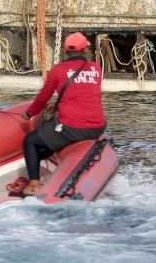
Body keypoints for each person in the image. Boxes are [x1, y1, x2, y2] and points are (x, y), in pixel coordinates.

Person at [19, 32, 106, 196]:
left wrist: (28, 113)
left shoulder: (57, 70)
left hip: (71, 127)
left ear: (65, 51)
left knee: (30, 141)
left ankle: (34, 185)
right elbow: (82, 95)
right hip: (97, 127)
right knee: (50, 135)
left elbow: (42, 98)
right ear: (86, 50)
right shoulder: (96, 68)